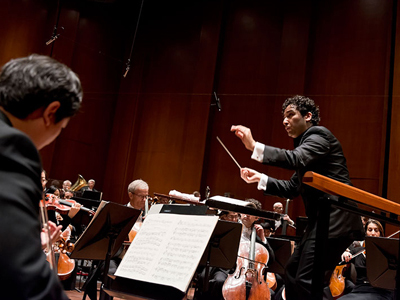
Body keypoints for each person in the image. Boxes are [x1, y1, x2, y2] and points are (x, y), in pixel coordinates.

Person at [231, 95, 363, 300]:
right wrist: (261, 179)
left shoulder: (319, 135)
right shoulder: (309, 149)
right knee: (292, 273)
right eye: (283, 117)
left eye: (290, 115)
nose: (284, 121)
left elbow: (296, 158)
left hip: (336, 220)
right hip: (321, 222)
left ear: (308, 116)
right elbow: (293, 187)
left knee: (305, 280)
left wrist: (254, 146)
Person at [0, 54, 82, 299]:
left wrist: (26, 240)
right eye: (61, 128)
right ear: (51, 112)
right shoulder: (11, 145)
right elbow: (21, 276)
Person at [336, 219, 392, 299]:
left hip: (380, 292)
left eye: (376, 230)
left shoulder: (387, 253)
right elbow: (339, 261)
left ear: (380, 234)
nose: (373, 233)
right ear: (365, 233)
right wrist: (344, 253)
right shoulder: (357, 251)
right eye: (370, 230)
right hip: (359, 290)